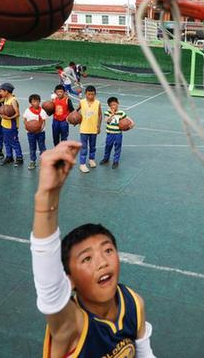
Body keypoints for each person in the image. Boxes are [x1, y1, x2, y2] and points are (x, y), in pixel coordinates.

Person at [31, 141, 156, 358]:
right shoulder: (72, 324)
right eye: (87, 258)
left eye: (107, 250)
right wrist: (46, 198)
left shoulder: (133, 303)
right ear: (69, 279)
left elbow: (145, 354)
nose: (102, 262)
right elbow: (49, 289)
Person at [0, 82, 24, 166]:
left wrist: (9, 118)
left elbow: (17, 113)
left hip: (11, 125)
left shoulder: (13, 100)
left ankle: (19, 157)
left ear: (6, 91)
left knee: (14, 141)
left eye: (1, 91)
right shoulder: (5, 99)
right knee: (6, 141)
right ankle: (9, 156)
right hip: (4, 124)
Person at [77, 85, 101, 173]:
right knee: (84, 147)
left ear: (95, 94)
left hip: (93, 129)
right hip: (84, 129)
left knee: (93, 146)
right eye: (88, 94)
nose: (90, 96)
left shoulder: (98, 103)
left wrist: (98, 126)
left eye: (92, 94)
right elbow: (76, 112)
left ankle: (91, 159)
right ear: (85, 94)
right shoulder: (82, 102)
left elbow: (100, 115)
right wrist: (73, 118)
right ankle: (82, 164)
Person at [100, 97, 129, 169]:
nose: (113, 106)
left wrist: (131, 124)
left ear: (118, 103)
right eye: (111, 105)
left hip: (118, 133)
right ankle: (106, 158)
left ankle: (116, 161)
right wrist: (112, 114)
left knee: (117, 147)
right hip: (110, 133)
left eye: (114, 104)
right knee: (108, 146)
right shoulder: (107, 112)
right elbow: (107, 120)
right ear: (109, 106)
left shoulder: (121, 113)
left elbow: (127, 119)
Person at [23, 94, 49, 170]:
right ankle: (32, 161)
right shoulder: (27, 110)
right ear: (30, 102)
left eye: (37, 101)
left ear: (40, 102)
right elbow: (24, 120)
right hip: (30, 133)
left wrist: (41, 129)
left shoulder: (42, 111)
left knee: (42, 147)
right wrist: (27, 126)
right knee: (32, 147)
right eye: (34, 101)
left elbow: (44, 121)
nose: (36, 103)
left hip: (41, 133)